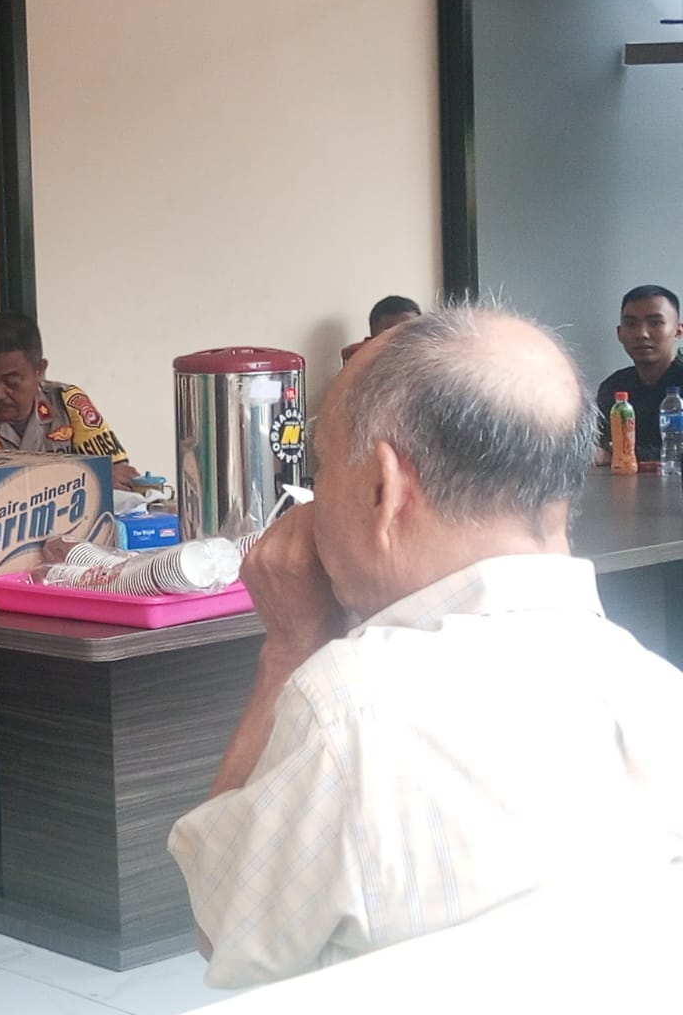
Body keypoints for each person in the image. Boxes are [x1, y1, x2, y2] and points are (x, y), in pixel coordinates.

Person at [168, 305, 683, 988]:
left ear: (384, 489)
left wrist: (291, 648)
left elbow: (222, 928)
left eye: (322, 472)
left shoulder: (349, 708)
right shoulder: (657, 690)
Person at [0, 312, 138, 490]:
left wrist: (97, 477)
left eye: (11, 381)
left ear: (40, 370)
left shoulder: (68, 403)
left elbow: (118, 474)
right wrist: (89, 477)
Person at [593, 284, 683, 464]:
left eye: (655, 323)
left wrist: (617, 455)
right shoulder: (613, 386)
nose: (642, 334)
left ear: (678, 331)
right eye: (631, 324)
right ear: (619, 333)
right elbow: (598, 445)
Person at [341, 295, 422, 364]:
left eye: (411, 329)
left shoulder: (423, 353)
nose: (404, 337)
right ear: (373, 336)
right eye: (391, 331)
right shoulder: (360, 356)